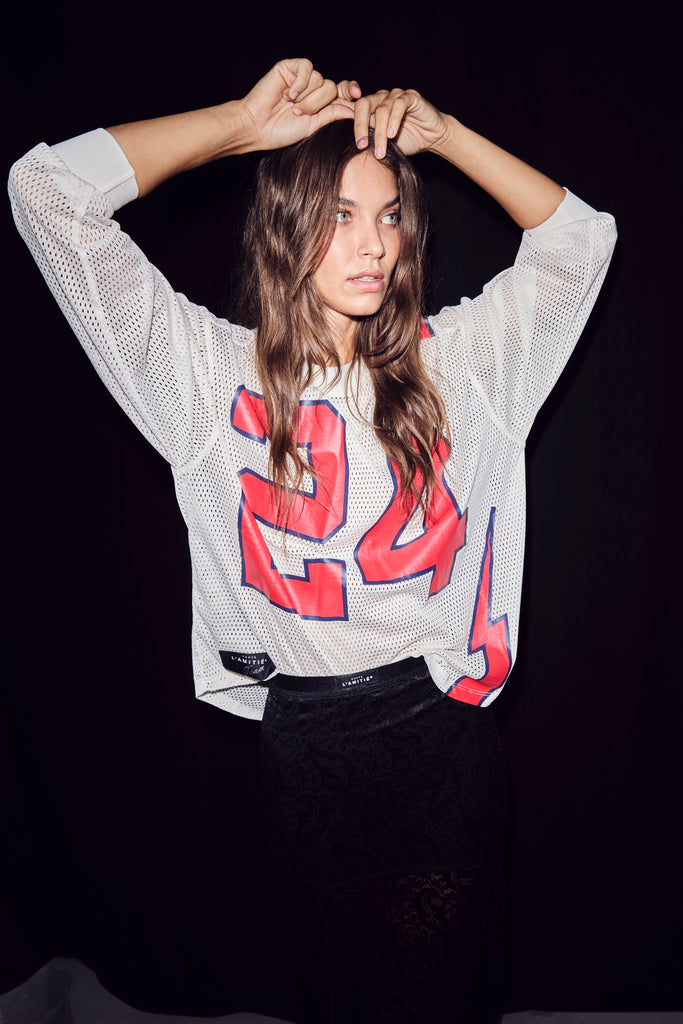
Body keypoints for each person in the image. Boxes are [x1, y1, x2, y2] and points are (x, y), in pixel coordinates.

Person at [9, 58, 616, 1023]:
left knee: (431, 1000)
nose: (374, 244)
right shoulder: (204, 377)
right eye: (338, 214)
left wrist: (446, 137)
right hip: (303, 752)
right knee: (341, 993)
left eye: (389, 215)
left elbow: (580, 242)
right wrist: (239, 126)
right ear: (285, 226)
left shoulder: (461, 366)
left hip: (436, 742)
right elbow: (45, 192)